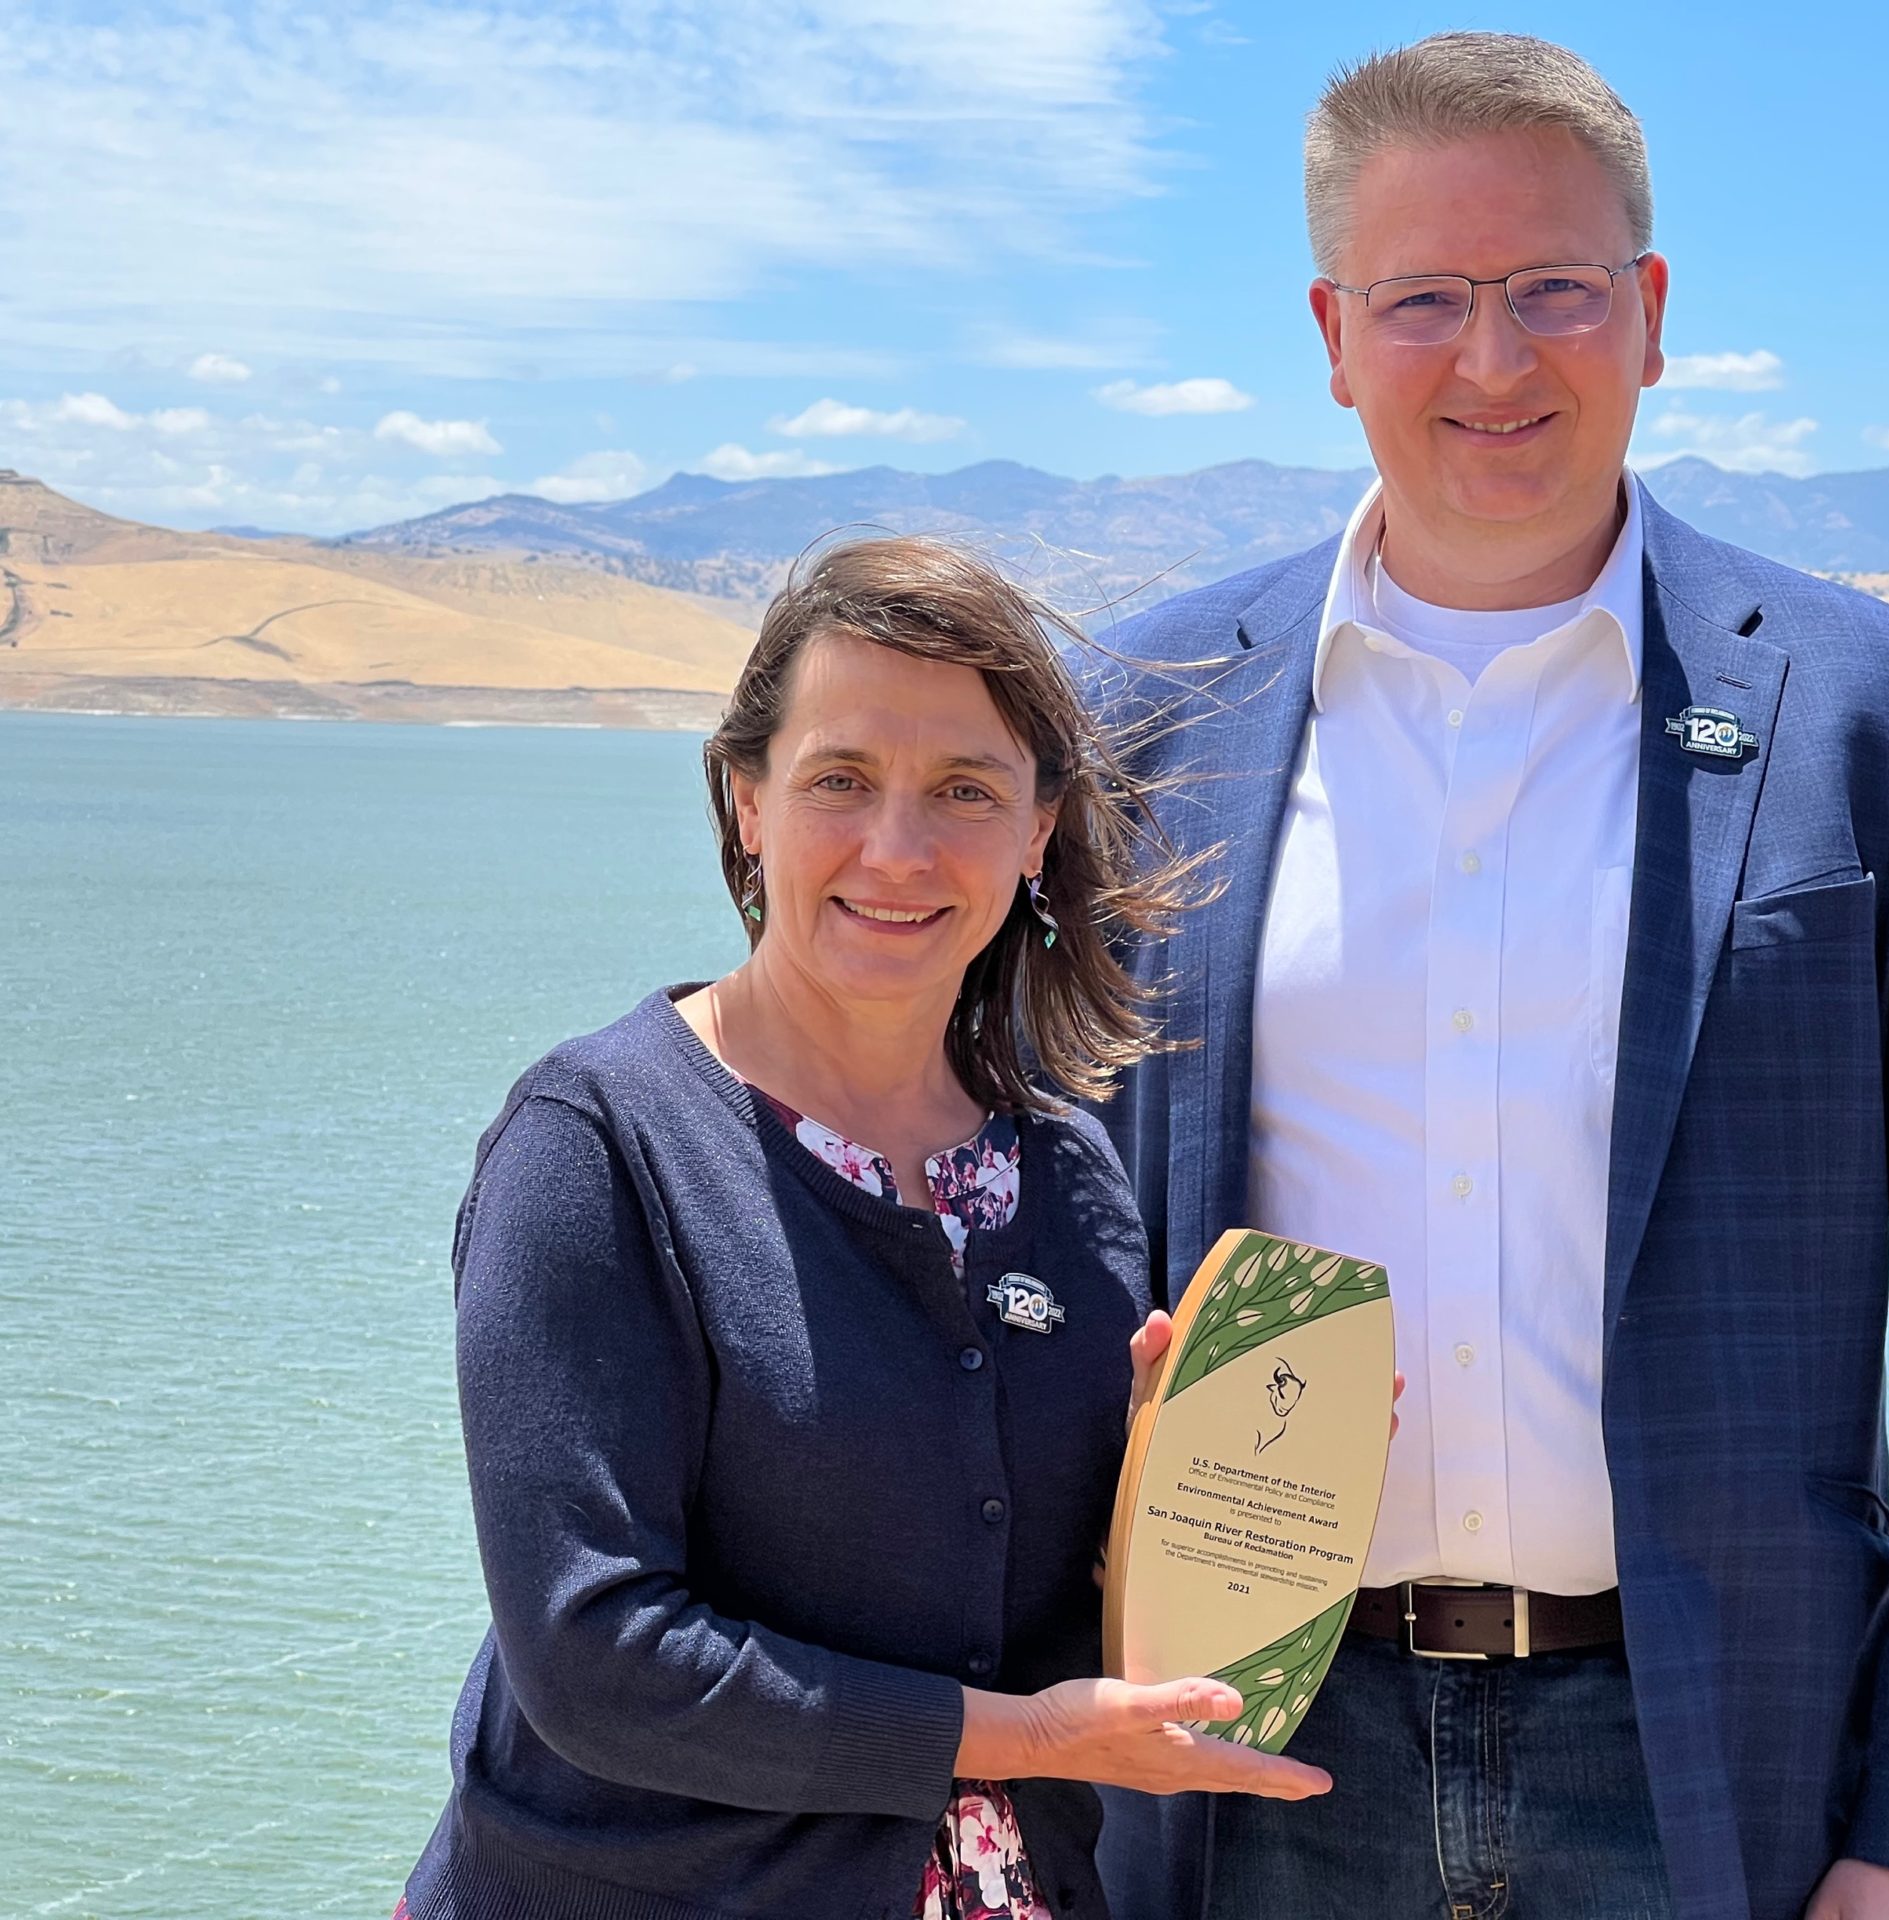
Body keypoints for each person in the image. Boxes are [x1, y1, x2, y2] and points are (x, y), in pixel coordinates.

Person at [1087, 33, 1889, 1920]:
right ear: (1332, 334)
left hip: (1724, 1777)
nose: (1494, 359)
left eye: (1553, 289)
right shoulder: (1146, 714)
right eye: (1424, 299)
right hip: (1246, 1765)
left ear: (1648, 315)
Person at [398, 536, 1327, 1920]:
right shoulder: (599, 1146)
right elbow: (596, 1659)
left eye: (964, 790)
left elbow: (1042, 1625)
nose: (898, 848)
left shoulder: (1066, 1185)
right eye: (841, 778)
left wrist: (1185, 1491)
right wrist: (1022, 1741)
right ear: (748, 799)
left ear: (1038, 831)